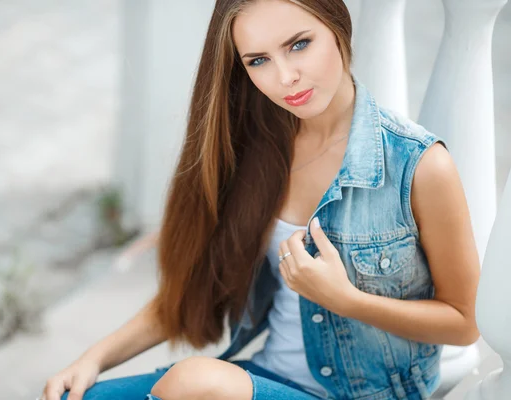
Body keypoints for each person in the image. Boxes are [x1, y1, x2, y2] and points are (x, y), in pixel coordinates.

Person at [39, 0, 481, 399]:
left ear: (338, 26)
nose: (285, 77)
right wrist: (92, 359)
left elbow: (464, 322)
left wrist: (348, 301)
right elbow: (193, 295)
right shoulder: (257, 151)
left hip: (365, 395)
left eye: (300, 44)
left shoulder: (418, 165)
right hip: (264, 379)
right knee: (73, 397)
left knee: (196, 381)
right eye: (259, 60)